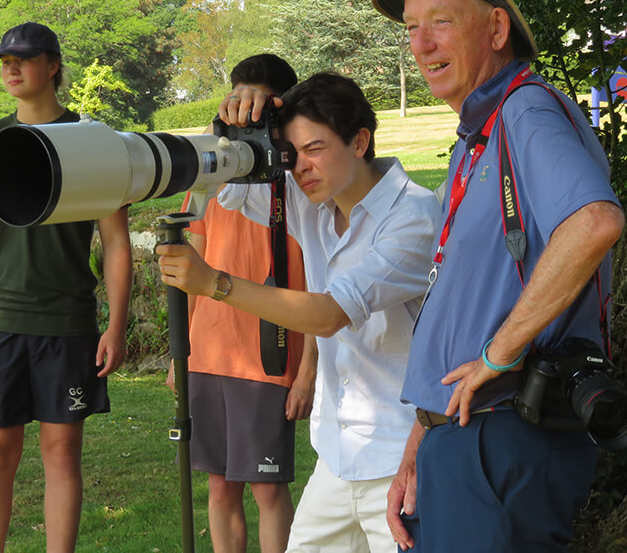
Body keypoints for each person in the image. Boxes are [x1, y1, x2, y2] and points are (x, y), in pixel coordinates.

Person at [371, 0, 624, 552]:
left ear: (496, 28)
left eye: (441, 22)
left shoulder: (525, 110)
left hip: (505, 437)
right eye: (411, 29)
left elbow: (594, 222)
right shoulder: (476, 139)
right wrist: (421, 439)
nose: (422, 45)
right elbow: (463, 299)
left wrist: (499, 354)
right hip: (460, 438)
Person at [158, 71, 441, 552]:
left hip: (400, 458)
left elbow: (330, 313)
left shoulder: (413, 215)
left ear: (359, 141)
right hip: (336, 456)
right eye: (292, 153)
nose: (301, 167)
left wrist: (215, 284)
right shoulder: (313, 200)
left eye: (314, 148)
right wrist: (237, 118)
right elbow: (228, 177)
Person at [0, 21, 132, 553]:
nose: (11, 69)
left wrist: (116, 324)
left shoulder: (97, 143)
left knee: (61, 453)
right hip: (1, 322)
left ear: (52, 65)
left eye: (23, 59)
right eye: (5, 61)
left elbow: (116, 243)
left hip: (68, 324)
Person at [166, 53, 316, 553]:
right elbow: (193, 264)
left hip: (270, 354)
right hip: (209, 351)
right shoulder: (212, 172)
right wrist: (179, 353)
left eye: (256, 110)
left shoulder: (301, 179)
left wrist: (307, 370)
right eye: (236, 105)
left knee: (268, 488)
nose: (242, 119)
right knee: (219, 484)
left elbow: (322, 282)